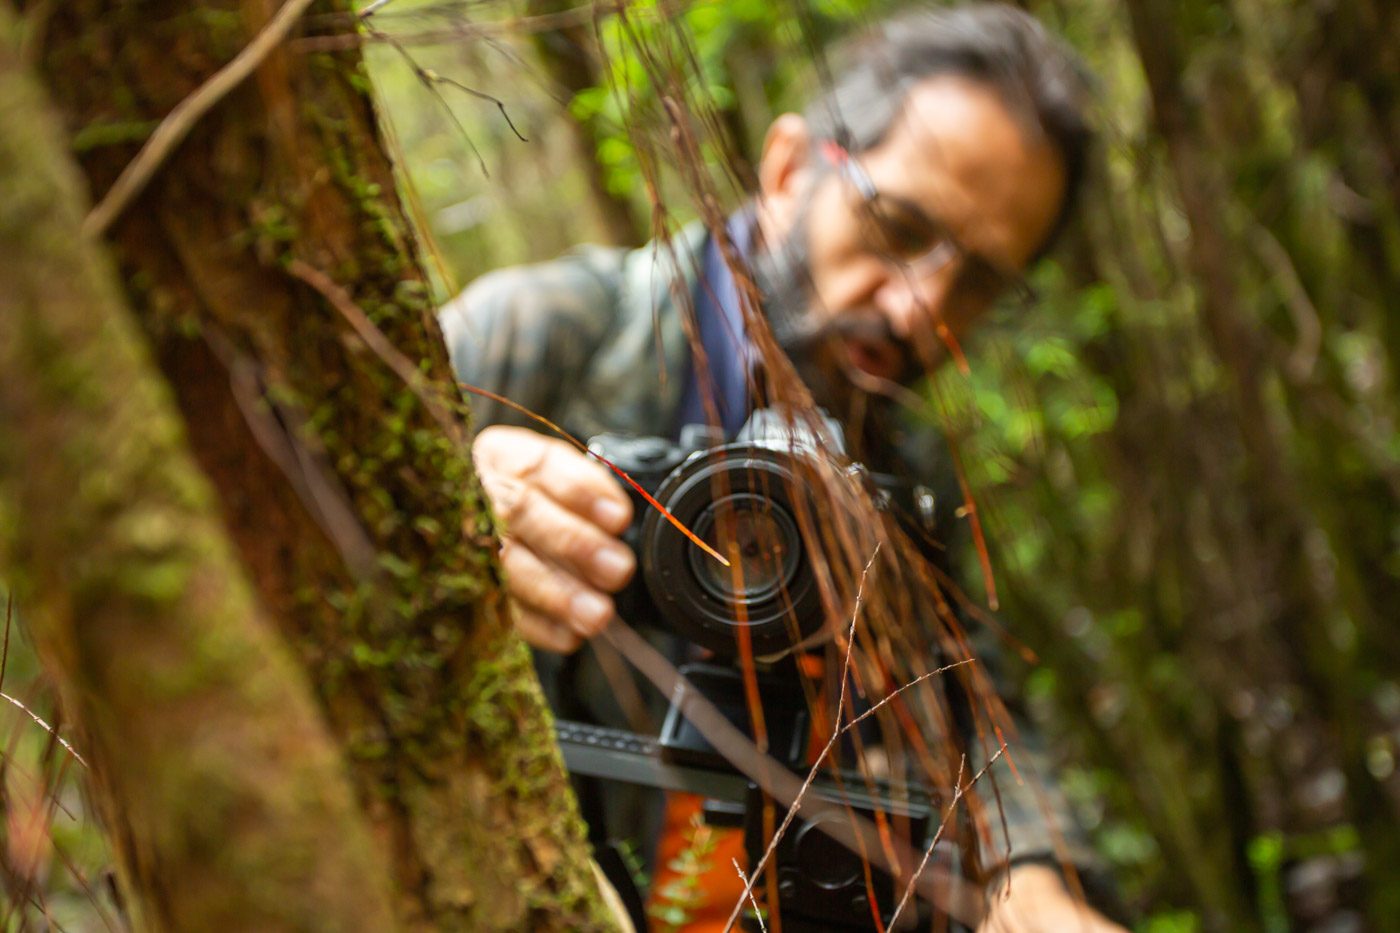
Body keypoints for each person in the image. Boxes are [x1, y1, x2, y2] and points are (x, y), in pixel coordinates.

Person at [441, 5, 1127, 930]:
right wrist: (445, 515)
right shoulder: (542, 340)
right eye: (897, 226)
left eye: (980, 280)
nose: (922, 307)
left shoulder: (897, 464)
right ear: (790, 169)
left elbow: (973, 704)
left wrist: (1033, 883)